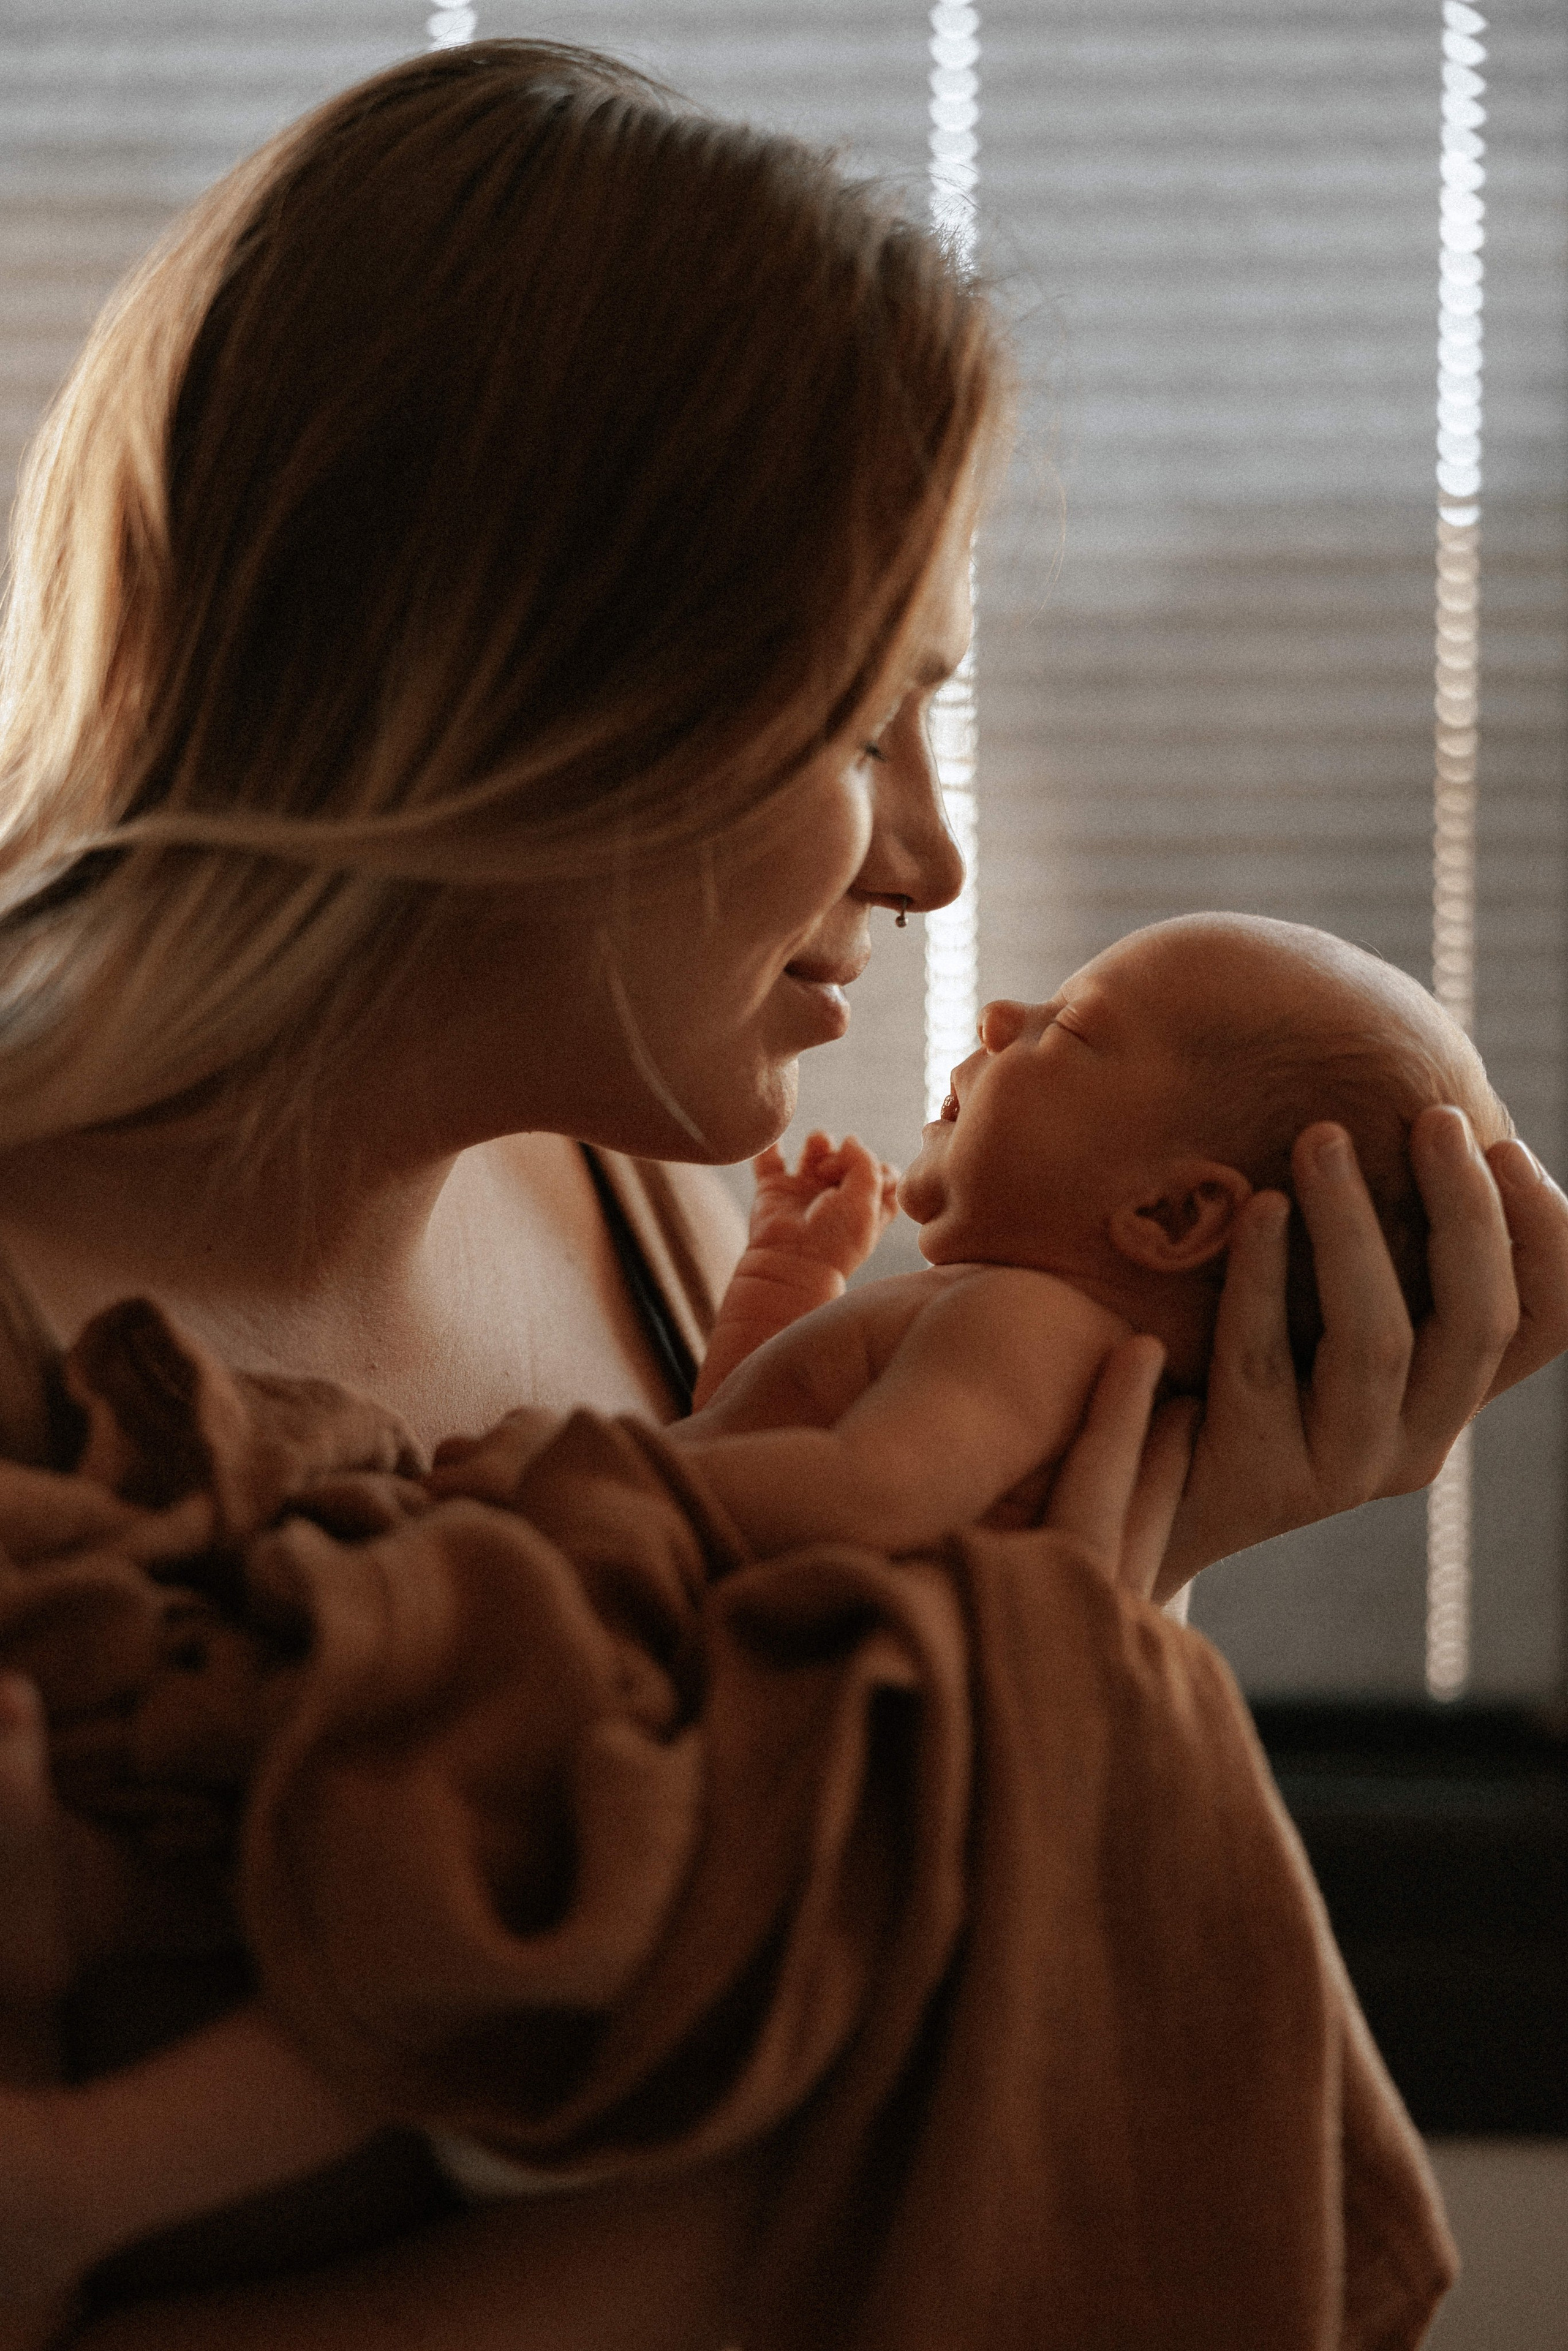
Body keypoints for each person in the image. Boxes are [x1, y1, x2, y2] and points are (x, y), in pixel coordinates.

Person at [0, 34, 1561, 2351]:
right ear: (527, 698)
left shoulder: (660, 1223)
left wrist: (1141, 1546)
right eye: (861, 721)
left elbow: (785, 1882)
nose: (931, 862)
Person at [693, 914, 1517, 1562]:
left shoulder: (1026, 1326)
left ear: (1171, 1213)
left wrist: (616, 1473)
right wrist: (788, 1273)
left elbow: (863, 1496)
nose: (998, 1017)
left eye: (1069, 1028)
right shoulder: (1016, 1334)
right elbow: (749, 1431)